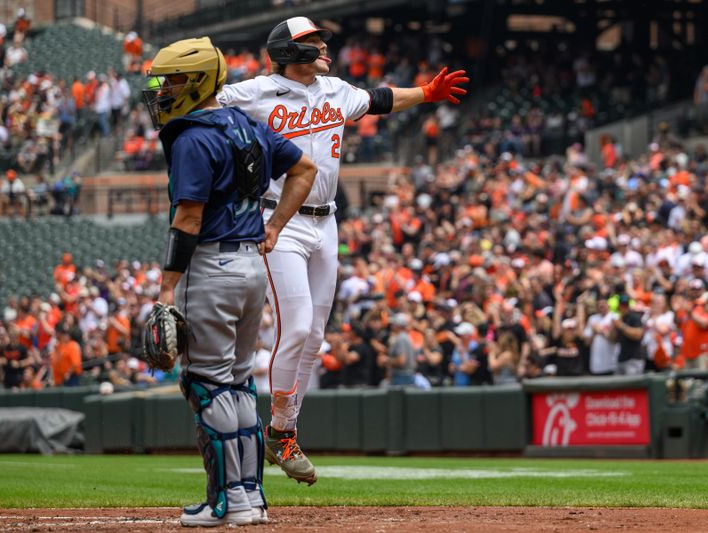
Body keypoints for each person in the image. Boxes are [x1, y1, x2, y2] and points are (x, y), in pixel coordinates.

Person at [216, 16, 468, 483]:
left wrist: (426, 94)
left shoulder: (334, 89)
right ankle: (278, 430)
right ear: (290, 52)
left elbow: (380, 100)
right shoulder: (255, 92)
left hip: (327, 220)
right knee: (294, 327)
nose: (324, 47)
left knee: (314, 334)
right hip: (280, 220)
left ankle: (283, 430)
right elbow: (210, 103)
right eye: (313, 42)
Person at [144, 37, 316, 527]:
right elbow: (305, 168)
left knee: (206, 385)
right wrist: (276, 224)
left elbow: (189, 218)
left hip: (213, 268)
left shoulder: (192, 135)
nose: (162, 90)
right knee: (238, 384)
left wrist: (166, 289)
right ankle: (250, 499)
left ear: (194, 82)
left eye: (171, 81)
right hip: (251, 268)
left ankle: (227, 501)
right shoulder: (248, 125)